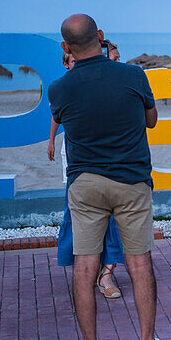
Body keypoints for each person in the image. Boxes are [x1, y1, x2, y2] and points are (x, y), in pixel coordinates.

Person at [48, 15, 165, 340]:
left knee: (85, 265)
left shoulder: (59, 89)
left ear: (66, 48)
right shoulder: (133, 75)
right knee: (140, 262)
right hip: (131, 181)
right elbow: (151, 121)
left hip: (85, 184)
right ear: (100, 37)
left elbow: (68, 122)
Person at [48, 50, 125, 299]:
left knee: (113, 219)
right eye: (113, 58)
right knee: (78, 215)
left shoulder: (111, 83)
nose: (116, 64)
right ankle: (89, 270)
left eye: (116, 59)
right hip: (77, 161)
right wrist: (51, 141)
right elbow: (56, 117)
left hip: (108, 161)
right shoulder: (64, 87)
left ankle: (106, 273)